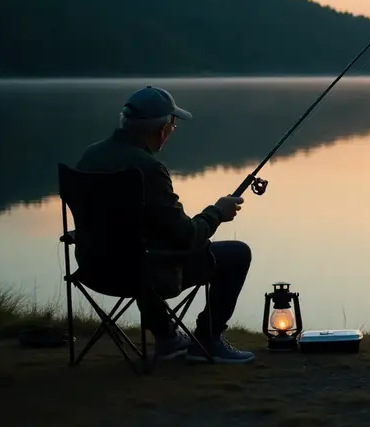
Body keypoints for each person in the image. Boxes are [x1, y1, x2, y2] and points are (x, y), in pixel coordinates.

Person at [74, 85, 255, 364]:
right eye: (173, 124)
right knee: (237, 253)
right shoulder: (148, 169)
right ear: (161, 129)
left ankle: (167, 338)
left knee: (135, 250)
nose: (172, 130)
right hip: (141, 273)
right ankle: (207, 340)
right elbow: (186, 237)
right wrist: (217, 212)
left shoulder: (90, 156)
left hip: (94, 268)